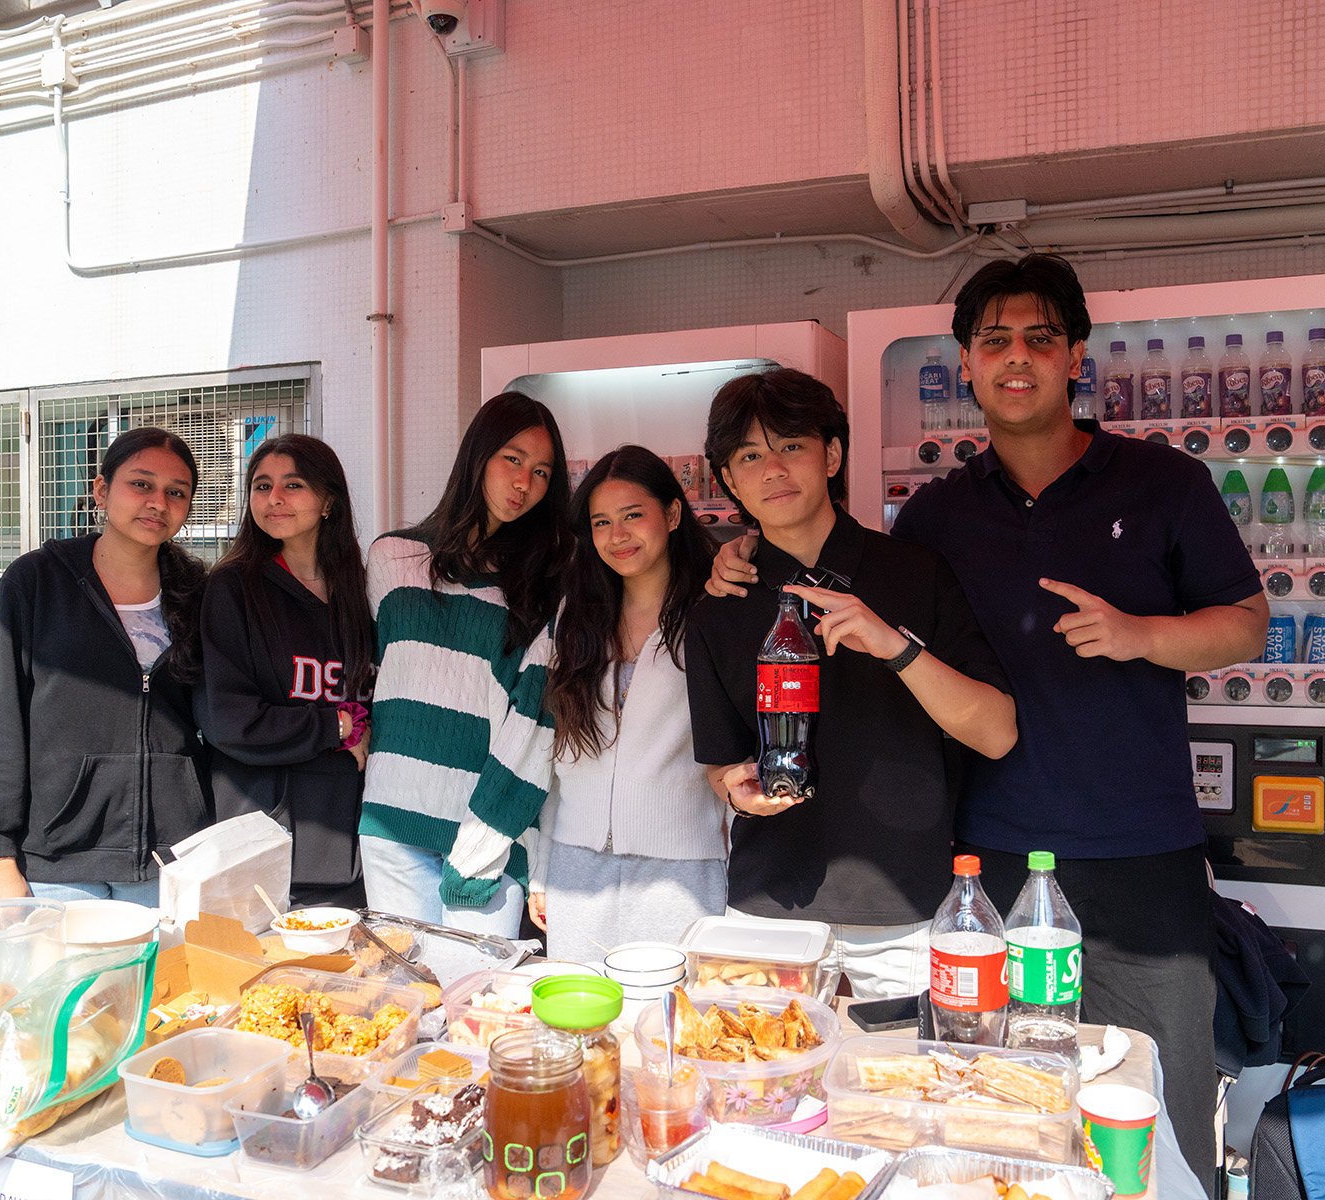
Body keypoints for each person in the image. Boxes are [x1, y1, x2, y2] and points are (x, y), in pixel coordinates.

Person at [710, 256, 1267, 1196]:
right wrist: (737, 555)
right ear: (965, 365)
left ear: (1075, 356)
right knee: (995, 1108)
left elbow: (1246, 623)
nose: (1018, 358)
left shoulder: (1162, 483)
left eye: (1040, 338)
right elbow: (846, 574)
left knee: (1156, 1097)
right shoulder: (937, 514)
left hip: (1142, 853)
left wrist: (1140, 634)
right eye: (994, 341)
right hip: (983, 862)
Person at [684, 368, 1016, 998]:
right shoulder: (721, 605)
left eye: (791, 446)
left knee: (906, 1095)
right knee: (759, 1093)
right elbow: (721, 762)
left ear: (831, 454)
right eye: (749, 456)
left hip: (906, 914)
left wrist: (894, 646)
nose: (773, 470)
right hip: (766, 910)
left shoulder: (915, 574)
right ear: (729, 480)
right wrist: (734, 791)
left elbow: (997, 733)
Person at [0, 427, 212, 905]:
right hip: (60, 861)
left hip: (171, 860)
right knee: (70, 983)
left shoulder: (199, 594)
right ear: (101, 490)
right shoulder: (36, 583)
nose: (157, 501)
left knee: (161, 983)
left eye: (175, 492)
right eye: (141, 484)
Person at [358, 392, 572, 935]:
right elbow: (370, 673)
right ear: (477, 455)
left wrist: (488, 838)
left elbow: (535, 725)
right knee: (404, 1005)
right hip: (392, 817)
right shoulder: (392, 559)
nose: (525, 483)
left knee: (480, 1009)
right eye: (513, 459)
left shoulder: (545, 586)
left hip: (488, 832)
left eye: (542, 471)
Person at [531, 446, 728, 958]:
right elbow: (559, 758)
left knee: (669, 1027)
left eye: (633, 515)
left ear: (673, 513)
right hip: (577, 864)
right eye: (601, 522)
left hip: (681, 871)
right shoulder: (577, 618)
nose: (617, 536)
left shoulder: (711, 615)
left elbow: (735, 745)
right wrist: (541, 868)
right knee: (578, 1027)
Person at [199, 434, 374, 909]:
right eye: (261, 486)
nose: (273, 498)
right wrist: (336, 725)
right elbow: (230, 721)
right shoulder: (232, 587)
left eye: (292, 484)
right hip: (262, 839)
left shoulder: (361, 589)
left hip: (351, 837)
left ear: (328, 502)